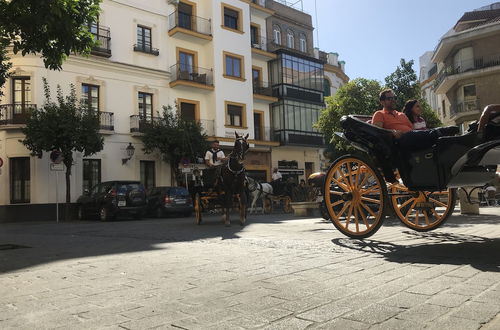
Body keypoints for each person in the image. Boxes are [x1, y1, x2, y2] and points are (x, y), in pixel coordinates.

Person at [372, 89, 459, 150]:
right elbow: (376, 132)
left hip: (412, 138)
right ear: (382, 102)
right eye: (389, 98)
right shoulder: (379, 114)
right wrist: (392, 132)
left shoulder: (401, 115)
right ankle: (440, 132)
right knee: (410, 135)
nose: (393, 100)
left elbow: (413, 130)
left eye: (394, 98)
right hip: (399, 141)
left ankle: (450, 139)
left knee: (437, 141)